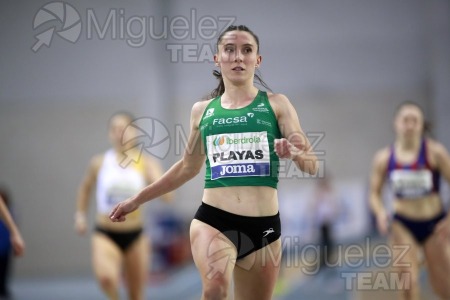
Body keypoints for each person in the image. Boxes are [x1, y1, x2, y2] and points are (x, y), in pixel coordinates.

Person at [110, 25, 318, 300]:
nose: (238, 57)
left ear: (257, 60)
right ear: (217, 58)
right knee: (216, 288)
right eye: (229, 50)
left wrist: (295, 153)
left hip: (264, 228)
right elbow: (187, 167)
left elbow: (312, 164)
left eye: (246, 50)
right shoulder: (203, 111)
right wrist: (137, 199)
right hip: (214, 221)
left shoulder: (277, 105)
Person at [74, 111, 172, 300]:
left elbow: (168, 198)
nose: (120, 134)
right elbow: (85, 188)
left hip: (136, 235)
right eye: (115, 129)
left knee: (136, 295)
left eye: (124, 129)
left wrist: (157, 181)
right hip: (106, 232)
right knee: (106, 279)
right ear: (109, 134)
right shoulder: (99, 162)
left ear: (135, 132)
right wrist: (80, 216)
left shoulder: (146, 163)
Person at [369, 101, 450, 300]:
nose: (410, 124)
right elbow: (373, 193)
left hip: (434, 225)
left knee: (443, 285)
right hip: (402, 224)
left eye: (415, 120)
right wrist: (380, 212)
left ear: (422, 125)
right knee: (407, 281)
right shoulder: (384, 158)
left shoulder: (436, 153)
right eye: (405, 120)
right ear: (396, 123)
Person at [0, 188, 25, 299]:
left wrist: (15, 233)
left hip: (5, 247)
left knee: (4, 269)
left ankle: (3, 288)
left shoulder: (11, 212)